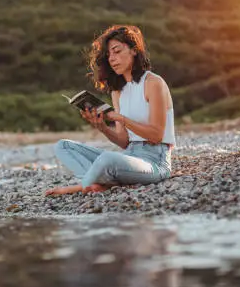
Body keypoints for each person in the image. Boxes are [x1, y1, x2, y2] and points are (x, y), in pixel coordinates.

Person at [45, 25, 176, 196]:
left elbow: (157, 135)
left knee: (107, 159)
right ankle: (99, 183)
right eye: (108, 55)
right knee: (63, 146)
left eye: (117, 51)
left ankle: (82, 186)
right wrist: (103, 127)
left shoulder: (153, 82)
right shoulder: (118, 91)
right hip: (129, 156)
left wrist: (121, 119)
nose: (112, 59)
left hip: (155, 162)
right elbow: (124, 142)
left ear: (134, 50)